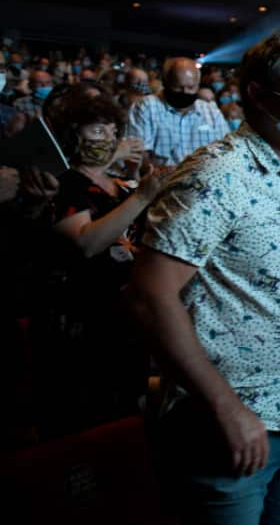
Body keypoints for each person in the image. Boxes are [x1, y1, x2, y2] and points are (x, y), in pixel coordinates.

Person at [127, 31, 280, 525]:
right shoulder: (215, 174)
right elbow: (150, 295)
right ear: (257, 92)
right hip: (228, 426)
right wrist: (225, 408)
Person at [36, 95, 163, 436]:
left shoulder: (120, 184)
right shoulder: (65, 184)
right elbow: (87, 243)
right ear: (74, 135)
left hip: (128, 319)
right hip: (87, 322)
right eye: (96, 129)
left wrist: (137, 183)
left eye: (111, 129)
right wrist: (142, 197)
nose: (107, 137)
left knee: (128, 412)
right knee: (91, 417)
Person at [127, 57, 230, 166]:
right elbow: (138, 152)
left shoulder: (211, 112)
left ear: (198, 86)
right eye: (178, 87)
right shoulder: (147, 106)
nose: (185, 92)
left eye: (191, 87)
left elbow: (226, 150)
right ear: (166, 83)